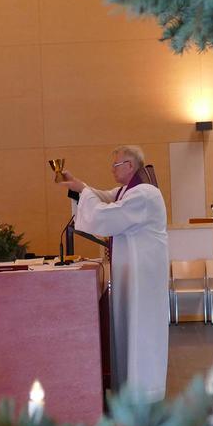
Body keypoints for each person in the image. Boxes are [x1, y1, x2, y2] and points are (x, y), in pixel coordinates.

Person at [60, 145, 170, 401]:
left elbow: (107, 215)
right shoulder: (126, 192)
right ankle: (129, 388)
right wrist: (79, 187)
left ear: (130, 166)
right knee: (128, 330)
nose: (112, 169)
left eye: (115, 165)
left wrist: (84, 192)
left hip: (144, 278)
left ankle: (146, 391)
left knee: (141, 331)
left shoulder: (145, 194)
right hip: (131, 276)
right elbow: (103, 197)